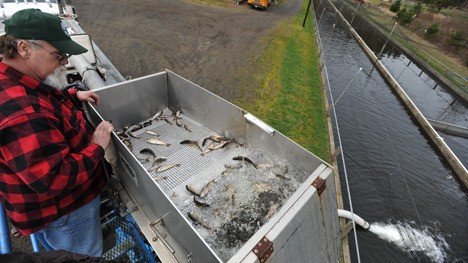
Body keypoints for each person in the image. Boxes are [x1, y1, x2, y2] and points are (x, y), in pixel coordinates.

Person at [0, 9, 114, 256]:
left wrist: (71, 95)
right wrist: (97, 146)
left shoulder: (15, 76)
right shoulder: (22, 115)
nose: (65, 62)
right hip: (64, 212)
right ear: (24, 48)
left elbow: (42, 99)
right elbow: (52, 180)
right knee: (82, 257)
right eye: (59, 54)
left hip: (52, 210)